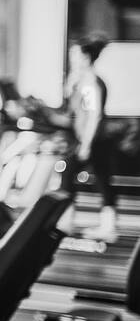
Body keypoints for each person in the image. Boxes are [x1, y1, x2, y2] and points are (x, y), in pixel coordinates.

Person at [58, 33, 117, 243]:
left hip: (94, 141)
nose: (71, 58)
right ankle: (69, 221)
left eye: (74, 54)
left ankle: (69, 222)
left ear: (85, 57)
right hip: (86, 139)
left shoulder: (91, 82)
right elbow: (71, 108)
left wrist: (86, 144)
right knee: (98, 181)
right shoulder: (81, 81)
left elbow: (95, 115)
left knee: (78, 180)